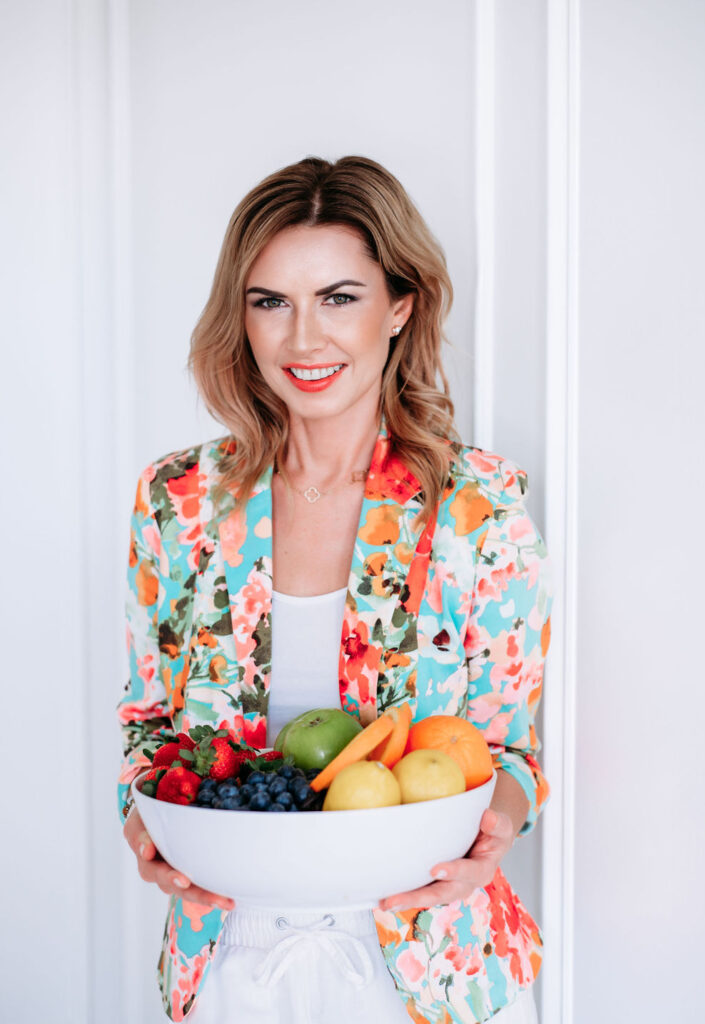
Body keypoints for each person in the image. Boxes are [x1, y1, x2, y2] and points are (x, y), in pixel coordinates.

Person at [118, 155, 553, 1024]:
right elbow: (149, 725)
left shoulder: (477, 508)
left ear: (401, 305)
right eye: (269, 301)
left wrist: (494, 832)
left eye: (339, 298)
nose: (303, 340)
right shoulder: (178, 501)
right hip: (229, 957)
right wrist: (146, 832)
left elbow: (509, 751)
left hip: (427, 964)